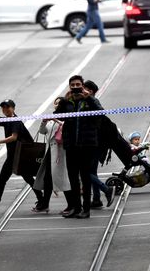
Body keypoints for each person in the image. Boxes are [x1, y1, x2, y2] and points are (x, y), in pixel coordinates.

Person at [0, 100, 44, 213]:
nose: (5, 110)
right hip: (14, 155)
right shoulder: (8, 119)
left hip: (21, 156)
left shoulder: (15, 121)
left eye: (8, 107)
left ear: (13, 108)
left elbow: (13, 137)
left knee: (22, 178)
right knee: (7, 178)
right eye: (3, 108)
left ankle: (41, 199)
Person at [55, 75, 104, 219]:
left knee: (85, 177)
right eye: (72, 85)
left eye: (78, 84)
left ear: (83, 86)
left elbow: (100, 114)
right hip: (71, 145)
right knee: (73, 178)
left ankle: (86, 209)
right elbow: (58, 115)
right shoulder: (68, 101)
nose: (76, 87)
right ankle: (77, 208)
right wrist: (63, 100)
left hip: (87, 145)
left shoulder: (90, 100)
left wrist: (88, 97)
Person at [35, 97, 72, 213]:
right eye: (55, 103)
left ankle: (71, 204)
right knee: (47, 178)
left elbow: (65, 127)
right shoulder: (51, 119)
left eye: (59, 103)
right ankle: (45, 204)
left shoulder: (66, 116)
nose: (56, 105)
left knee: (63, 178)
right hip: (50, 151)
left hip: (61, 152)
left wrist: (54, 119)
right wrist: (44, 121)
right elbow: (42, 131)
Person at [82, 80, 115, 209]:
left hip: (92, 143)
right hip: (94, 143)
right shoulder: (86, 103)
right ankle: (96, 199)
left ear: (91, 92)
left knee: (84, 172)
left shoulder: (92, 103)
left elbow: (100, 113)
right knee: (91, 172)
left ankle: (106, 190)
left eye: (85, 89)